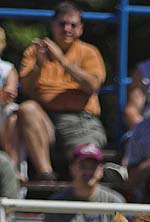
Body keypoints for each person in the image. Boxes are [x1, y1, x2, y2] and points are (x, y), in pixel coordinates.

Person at [17, 1, 107, 180]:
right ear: (52, 25)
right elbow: (26, 89)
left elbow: (92, 86)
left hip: (80, 121)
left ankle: (105, 175)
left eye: (73, 25)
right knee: (27, 108)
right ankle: (46, 175)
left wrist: (62, 61)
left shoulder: (89, 52)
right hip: (45, 120)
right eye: (62, 24)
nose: (67, 29)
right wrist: (39, 65)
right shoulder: (35, 51)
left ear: (80, 29)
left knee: (86, 158)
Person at [0, 26, 20, 169]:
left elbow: (10, 94)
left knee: (13, 113)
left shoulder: (8, 68)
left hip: (2, 112)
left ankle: (14, 168)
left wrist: (6, 95)